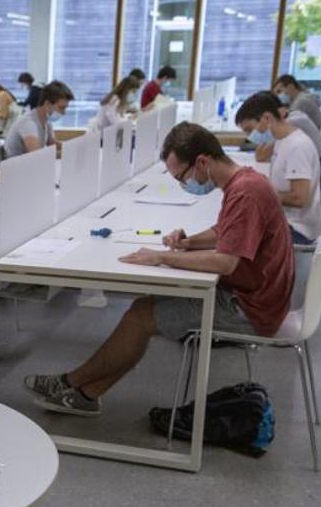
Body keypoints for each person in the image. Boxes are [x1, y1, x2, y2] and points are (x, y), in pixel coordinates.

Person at [24, 122, 294, 416]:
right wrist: (190, 243)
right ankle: (84, 394)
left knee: (140, 318)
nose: (184, 184)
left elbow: (225, 262)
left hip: (250, 308)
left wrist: (162, 257)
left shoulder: (244, 193)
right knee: (141, 311)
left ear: (202, 162)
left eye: (183, 176)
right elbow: (224, 231)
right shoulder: (245, 181)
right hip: (256, 295)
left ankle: (69, 382)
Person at [235, 91, 321, 245]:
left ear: (267, 118)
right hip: (285, 219)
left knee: (235, 235)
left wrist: (261, 195)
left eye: (250, 129)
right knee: (233, 223)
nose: (250, 136)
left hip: (297, 229)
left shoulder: (297, 146)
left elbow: (299, 198)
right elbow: (260, 156)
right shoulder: (283, 139)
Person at [3, 80, 73, 159]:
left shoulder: (46, 121)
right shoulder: (28, 123)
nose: (64, 112)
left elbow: (52, 143)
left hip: (28, 166)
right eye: (61, 108)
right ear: (47, 104)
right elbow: (37, 155)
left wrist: (72, 148)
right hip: (15, 168)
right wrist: (68, 154)